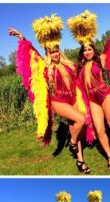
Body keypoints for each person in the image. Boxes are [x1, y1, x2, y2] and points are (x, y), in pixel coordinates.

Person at [9, 14, 93, 174]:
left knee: (78, 126)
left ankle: (80, 161)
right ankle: (72, 143)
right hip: (59, 101)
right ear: (47, 52)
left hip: (73, 98)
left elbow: (81, 70)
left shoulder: (68, 64)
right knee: (80, 120)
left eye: (56, 51)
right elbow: (31, 52)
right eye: (51, 52)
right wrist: (21, 36)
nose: (54, 54)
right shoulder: (45, 66)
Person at [68, 10, 110, 169]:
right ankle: (109, 156)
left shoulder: (101, 59)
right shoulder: (78, 67)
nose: (87, 52)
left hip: (105, 95)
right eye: (84, 50)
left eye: (89, 49)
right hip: (93, 100)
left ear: (93, 49)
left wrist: (87, 26)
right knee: (100, 130)